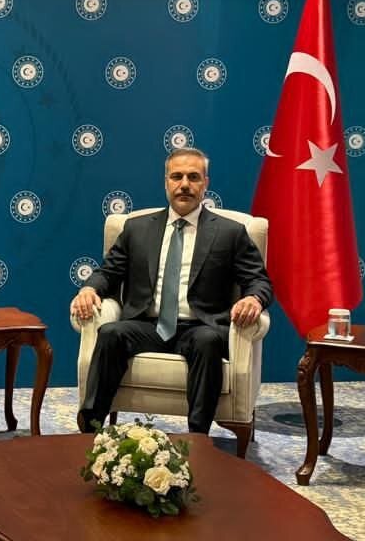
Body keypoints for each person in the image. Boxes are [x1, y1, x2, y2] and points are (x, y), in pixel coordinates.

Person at [71, 148, 272, 435]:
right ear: (166, 181)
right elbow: (109, 272)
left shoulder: (231, 232)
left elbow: (259, 281)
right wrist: (90, 288)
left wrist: (253, 298)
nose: (184, 184)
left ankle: (198, 437)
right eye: (177, 177)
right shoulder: (136, 228)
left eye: (193, 177)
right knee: (110, 333)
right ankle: (90, 428)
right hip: (147, 325)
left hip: (200, 327)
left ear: (205, 183)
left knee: (206, 341)